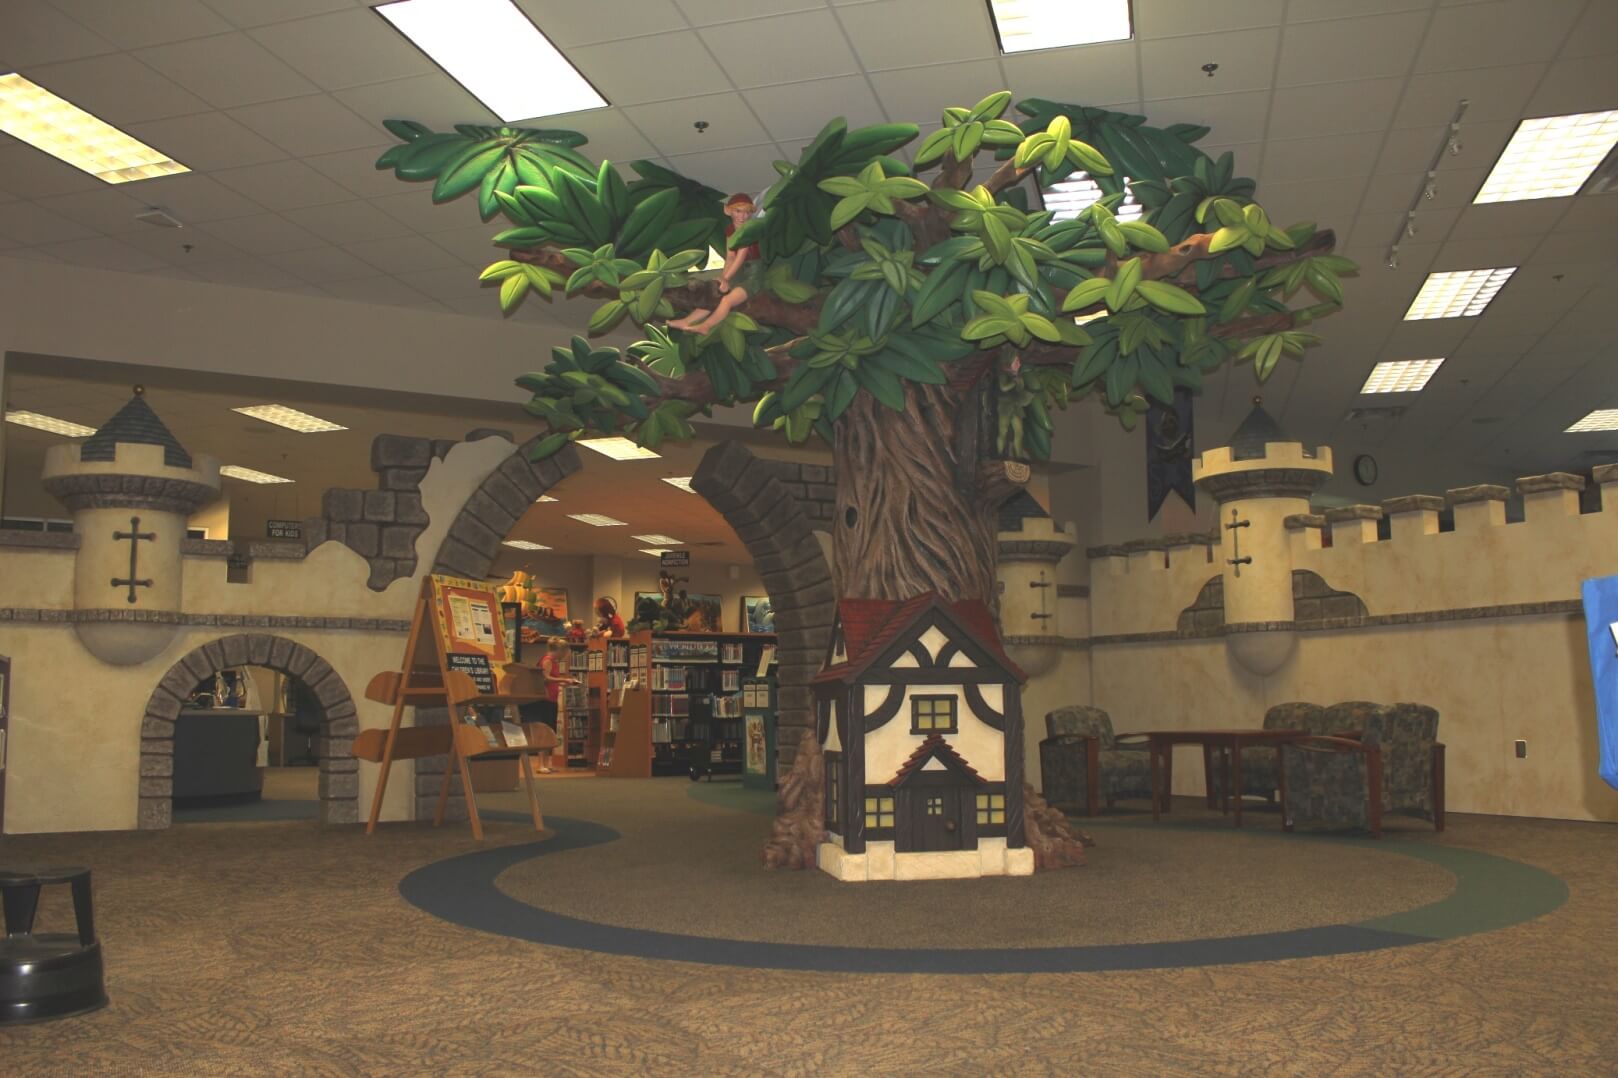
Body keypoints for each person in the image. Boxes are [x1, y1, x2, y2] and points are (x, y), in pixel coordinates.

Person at [668, 193, 760, 335]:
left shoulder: (747, 230)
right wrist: (722, 278)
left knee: (727, 300)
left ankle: (706, 326)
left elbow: (741, 257)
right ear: (728, 211)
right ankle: (687, 321)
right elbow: (730, 257)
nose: (743, 216)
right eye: (738, 211)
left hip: (752, 274)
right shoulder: (730, 230)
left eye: (747, 212)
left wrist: (726, 278)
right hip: (738, 271)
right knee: (714, 295)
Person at [536, 637, 576, 773]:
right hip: (545, 700)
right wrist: (563, 679)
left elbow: (551, 680)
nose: (565, 654)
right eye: (564, 651)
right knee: (544, 731)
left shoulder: (554, 662)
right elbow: (545, 678)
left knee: (550, 732)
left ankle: (547, 763)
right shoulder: (547, 660)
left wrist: (562, 683)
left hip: (551, 699)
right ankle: (541, 764)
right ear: (559, 650)